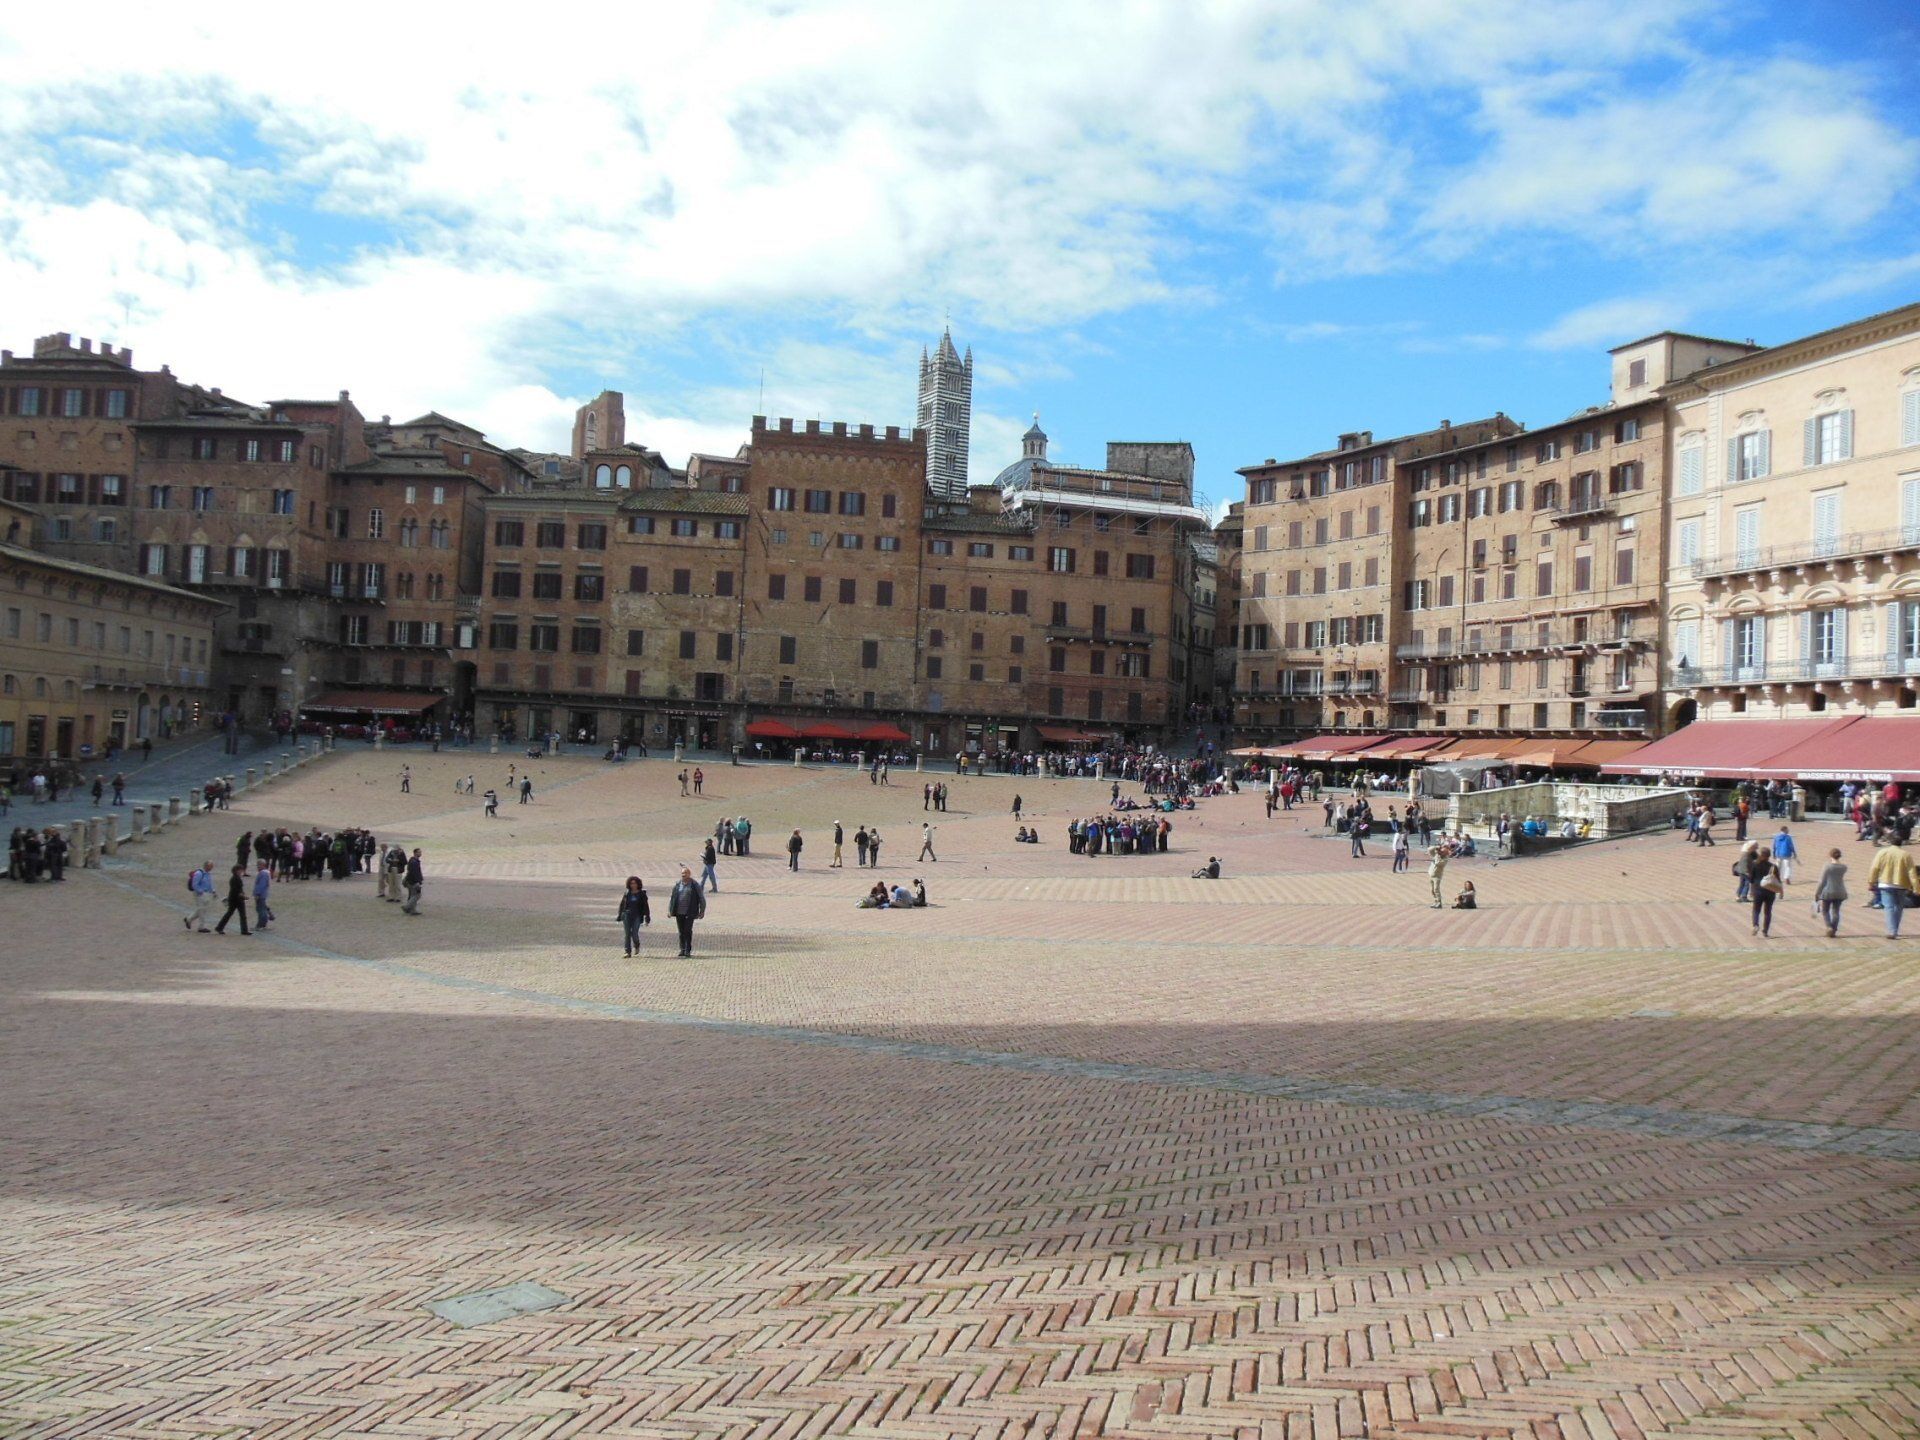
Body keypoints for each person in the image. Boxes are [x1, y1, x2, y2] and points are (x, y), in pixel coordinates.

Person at [1868, 840, 1917, 939]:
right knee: (1899, 907)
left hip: (1885, 883)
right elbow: (1912, 872)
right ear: (1901, 843)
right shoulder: (1906, 855)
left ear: (1890, 842)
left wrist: (1871, 881)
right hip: (1901, 884)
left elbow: (1874, 868)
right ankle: (1894, 929)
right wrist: (1916, 887)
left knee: (1889, 907)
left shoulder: (1882, 853)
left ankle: (1892, 931)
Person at [667, 865, 706, 956]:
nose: (683, 875)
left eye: (685, 873)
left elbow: (701, 898)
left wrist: (702, 910)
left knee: (687, 930)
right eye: (682, 873)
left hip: (690, 911)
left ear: (689, 874)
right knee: (681, 931)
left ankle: (688, 949)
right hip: (679, 912)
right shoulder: (678, 884)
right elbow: (672, 898)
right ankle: (682, 949)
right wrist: (670, 910)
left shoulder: (694, 885)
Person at [1746, 846, 1780, 937]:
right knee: (1768, 911)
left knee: (1756, 910)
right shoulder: (1773, 867)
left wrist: (1751, 890)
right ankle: (1765, 931)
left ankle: (1756, 925)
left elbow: (1751, 879)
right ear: (1769, 856)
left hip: (1758, 890)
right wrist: (1781, 891)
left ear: (1760, 855)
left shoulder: (1754, 865)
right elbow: (1778, 881)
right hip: (1770, 891)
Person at [1814, 848, 1848, 938]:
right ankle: (1834, 928)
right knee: (1836, 911)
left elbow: (1822, 881)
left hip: (1827, 891)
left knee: (1825, 911)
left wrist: (1817, 892)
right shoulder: (1844, 867)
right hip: (1840, 891)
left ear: (1830, 855)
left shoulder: (1827, 866)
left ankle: (1829, 927)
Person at [213, 863, 252, 935]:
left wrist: (242, 895)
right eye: (240, 870)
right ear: (236, 870)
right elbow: (236, 890)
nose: (241, 871)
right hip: (235, 899)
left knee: (234, 914)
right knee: (234, 914)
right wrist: (243, 896)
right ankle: (220, 927)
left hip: (236, 899)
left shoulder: (236, 878)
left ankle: (220, 927)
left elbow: (239, 889)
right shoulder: (235, 879)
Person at [617, 876, 651, 956]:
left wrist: (647, 917)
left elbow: (646, 906)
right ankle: (627, 951)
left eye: (635, 883)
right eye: (631, 883)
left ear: (638, 884)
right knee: (627, 933)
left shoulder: (642, 894)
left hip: (637, 916)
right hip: (627, 915)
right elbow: (622, 904)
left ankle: (636, 945)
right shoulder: (627, 893)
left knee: (634, 933)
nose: (633, 885)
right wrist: (620, 915)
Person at [185, 861, 215, 931]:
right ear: (206, 866)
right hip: (200, 894)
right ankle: (201, 927)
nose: (211, 868)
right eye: (210, 866)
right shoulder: (199, 873)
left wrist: (213, 891)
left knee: (202, 910)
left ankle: (189, 919)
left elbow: (209, 884)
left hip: (207, 893)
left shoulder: (208, 874)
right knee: (201, 910)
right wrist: (200, 891)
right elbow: (194, 884)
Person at [252, 863, 274, 931]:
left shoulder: (263, 874)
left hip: (261, 895)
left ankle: (260, 925)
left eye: (259, 865)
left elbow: (261, 885)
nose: (258, 867)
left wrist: (257, 894)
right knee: (263, 909)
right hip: (263, 894)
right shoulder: (266, 873)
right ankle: (263, 924)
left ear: (263, 865)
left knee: (261, 910)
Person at [402, 849, 425, 915]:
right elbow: (415, 873)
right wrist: (418, 881)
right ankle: (407, 907)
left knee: (412, 895)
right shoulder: (414, 862)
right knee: (417, 895)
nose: (420, 853)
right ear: (415, 853)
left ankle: (413, 909)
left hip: (411, 881)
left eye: (420, 852)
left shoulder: (413, 861)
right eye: (419, 852)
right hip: (413, 882)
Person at [1426, 845, 1448, 910]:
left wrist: (1438, 855)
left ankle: (1439, 902)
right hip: (1431, 874)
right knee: (1432, 890)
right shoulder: (1436, 855)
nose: (1441, 852)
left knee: (1436, 889)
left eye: (1443, 852)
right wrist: (1436, 847)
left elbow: (1438, 863)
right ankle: (1435, 901)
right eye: (1441, 851)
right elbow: (1429, 849)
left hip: (1437, 876)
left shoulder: (1445, 859)